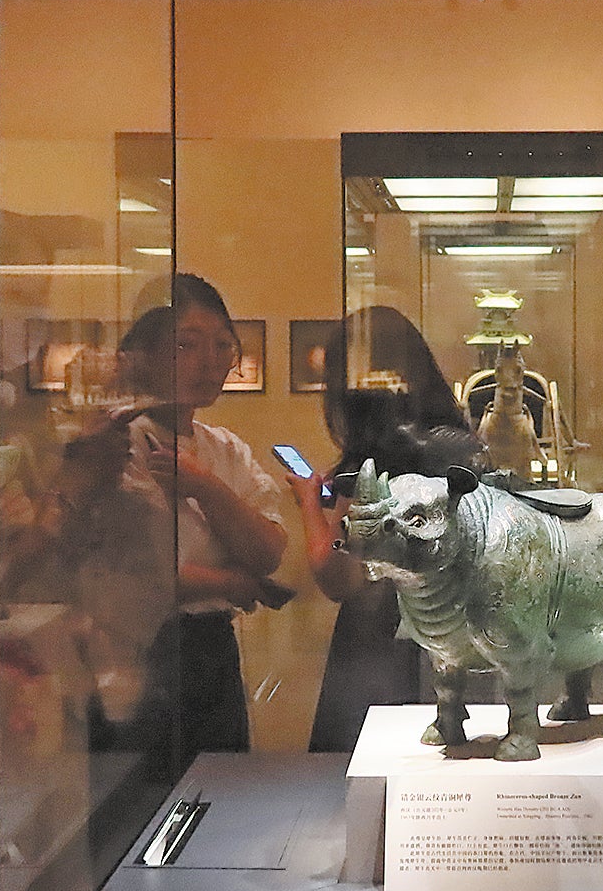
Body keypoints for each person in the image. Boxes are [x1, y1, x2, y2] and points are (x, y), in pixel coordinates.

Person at [282, 307, 484, 753]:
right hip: (457, 629)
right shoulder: (454, 444)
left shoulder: (376, 458)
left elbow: (336, 574)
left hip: (383, 640)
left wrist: (309, 505)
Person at [120, 275, 287, 765]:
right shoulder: (120, 442)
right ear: (144, 352)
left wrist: (204, 486)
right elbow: (138, 574)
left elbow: (270, 549)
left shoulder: (222, 447)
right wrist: (233, 582)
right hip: (141, 652)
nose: (208, 362)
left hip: (212, 646)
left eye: (221, 346)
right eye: (186, 345)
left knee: (220, 794)